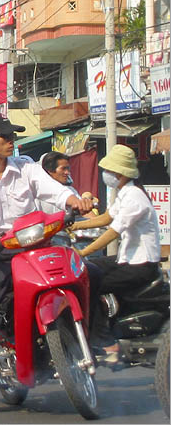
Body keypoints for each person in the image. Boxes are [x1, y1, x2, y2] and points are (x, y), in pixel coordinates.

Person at [0, 113, 92, 414]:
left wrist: (72, 201)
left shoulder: (27, 167)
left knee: (82, 274)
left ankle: (86, 340)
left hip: (34, 247)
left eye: (13, 135)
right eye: (5, 136)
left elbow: (53, 191)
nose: (11, 141)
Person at [70, 144, 161, 363]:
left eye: (109, 171)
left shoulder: (135, 198)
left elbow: (112, 232)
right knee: (87, 270)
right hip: (126, 260)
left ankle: (105, 341)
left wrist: (83, 252)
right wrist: (74, 227)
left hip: (141, 266)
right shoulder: (125, 192)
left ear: (119, 174)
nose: (106, 175)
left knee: (90, 282)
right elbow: (105, 218)